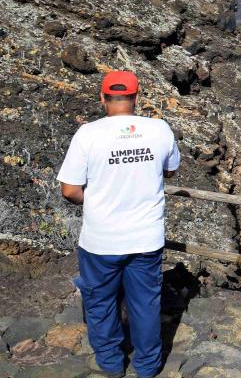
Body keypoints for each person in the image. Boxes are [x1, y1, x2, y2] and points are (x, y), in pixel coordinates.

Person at [57, 70, 180, 378]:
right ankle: (147, 366)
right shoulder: (159, 129)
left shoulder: (87, 133)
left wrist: (98, 200)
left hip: (101, 239)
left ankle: (111, 364)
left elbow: (70, 190)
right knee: (145, 303)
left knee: (100, 302)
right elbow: (170, 172)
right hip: (146, 237)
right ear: (136, 99)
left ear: (103, 98)